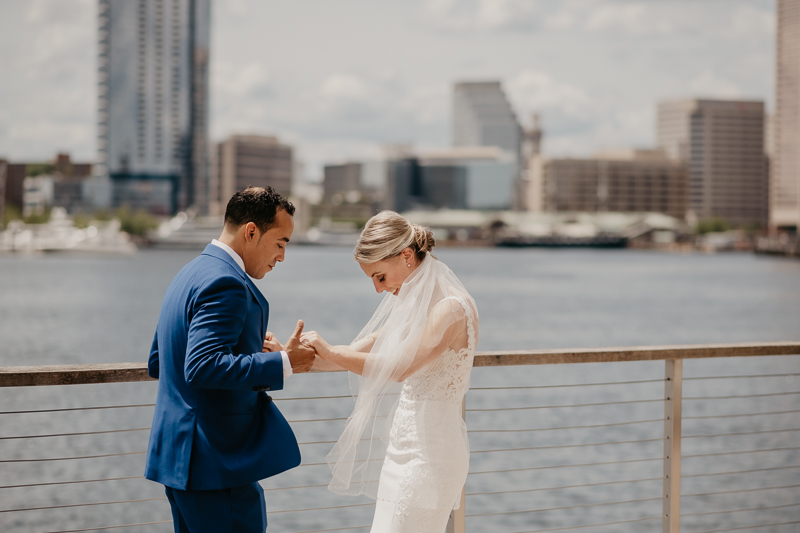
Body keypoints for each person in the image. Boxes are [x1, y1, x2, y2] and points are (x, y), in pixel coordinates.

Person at [144, 186, 316, 533]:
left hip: (179, 464)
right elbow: (202, 365)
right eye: (281, 243)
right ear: (251, 231)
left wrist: (249, 349)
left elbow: (159, 361)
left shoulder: (188, 274)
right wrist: (285, 362)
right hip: (216, 466)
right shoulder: (227, 283)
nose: (282, 256)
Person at [300, 210, 479, 533]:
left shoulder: (451, 309)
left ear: (407, 256)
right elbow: (353, 354)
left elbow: (399, 368)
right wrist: (291, 358)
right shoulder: (411, 308)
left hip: (431, 458)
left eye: (380, 276)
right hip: (401, 452)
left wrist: (334, 352)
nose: (378, 289)